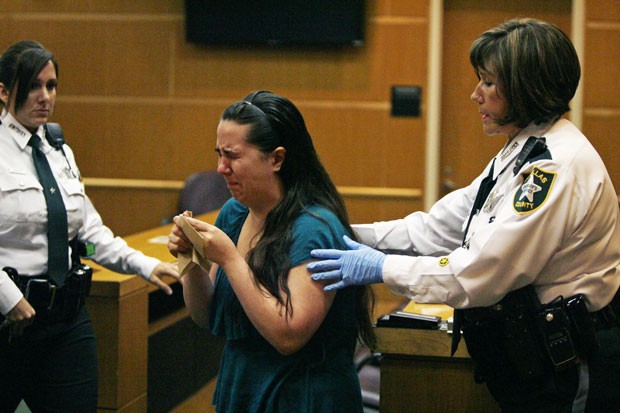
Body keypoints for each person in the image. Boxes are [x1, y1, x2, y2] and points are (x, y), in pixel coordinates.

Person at [308, 18, 620, 412]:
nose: (475, 95)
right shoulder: (523, 149)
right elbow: (439, 228)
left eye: (488, 82)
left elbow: (480, 272)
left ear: (526, 86)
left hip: (569, 366)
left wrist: (382, 268)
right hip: (533, 363)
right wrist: (349, 232)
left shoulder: (555, 167)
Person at [167, 90, 375, 412]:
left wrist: (230, 258)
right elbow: (204, 315)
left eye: (233, 156)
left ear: (276, 158)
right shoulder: (234, 214)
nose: (221, 168)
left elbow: (289, 336)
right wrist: (191, 262)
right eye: (219, 154)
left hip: (303, 398)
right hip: (243, 389)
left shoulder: (314, 228)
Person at [0, 44, 180, 411]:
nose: (45, 97)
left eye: (51, 86)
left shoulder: (58, 149)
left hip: (65, 320)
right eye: (33, 86)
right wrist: (8, 298)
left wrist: (145, 265)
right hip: (9, 322)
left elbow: (91, 232)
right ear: (3, 91)